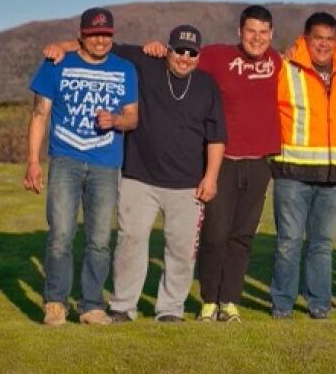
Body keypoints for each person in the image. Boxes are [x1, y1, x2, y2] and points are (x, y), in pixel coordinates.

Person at [45, 25, 227, 322]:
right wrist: (59, 47)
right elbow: (98, 46)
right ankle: (123, 306)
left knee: (180, 251)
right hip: (138, 178)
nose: (184, 57)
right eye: (178, 50)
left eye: (191, 53)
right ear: (167, 50)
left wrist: (211, 177)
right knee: (130, 243)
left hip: (187, 184)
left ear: (198, 56)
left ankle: (170, 309)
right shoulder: (145, 62)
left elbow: (217, 136)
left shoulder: (207, 85)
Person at [25, 7, 138, 326]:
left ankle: (91, 305)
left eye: (106, 34)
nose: (100, 40)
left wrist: (116, 120)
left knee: (100, 239)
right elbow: (39, 115)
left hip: (105, 163)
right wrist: (33, 161)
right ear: (81, 35)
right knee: (60, 233)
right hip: (65, 159)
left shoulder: (125, 69)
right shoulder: (57, 64)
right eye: (93, 34)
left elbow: (133, 117)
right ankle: (56, 303)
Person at [193, 5, 281, 322]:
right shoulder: (217, 57)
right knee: (215, 234)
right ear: (239, 32)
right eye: (250, 31)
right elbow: (179, 59)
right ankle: (208, 300)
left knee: (242, 236)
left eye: (263, 32)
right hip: (223, 162)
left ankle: (229, 301)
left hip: (259, 165)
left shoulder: (277, 61)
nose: (256, 38)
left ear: (271, 34)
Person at [269, 12, 336, 320]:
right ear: (306, 38)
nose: (324, 44)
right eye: (318, 38)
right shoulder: (285, 67)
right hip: (291, 173)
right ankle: (282, 304)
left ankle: (319, 303)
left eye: (329, 38)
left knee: (322, 245)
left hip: (331, 177)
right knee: (288, 243)